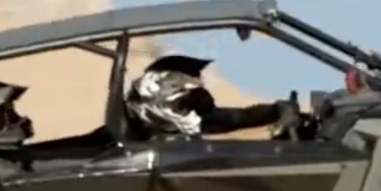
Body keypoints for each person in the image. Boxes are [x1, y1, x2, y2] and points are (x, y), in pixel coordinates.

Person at [124, 55, 298, 140]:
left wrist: (277, 110)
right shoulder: (170, 117)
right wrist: (269, 132)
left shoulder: (194, 114)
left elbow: (240, 116)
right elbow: (219, 144)